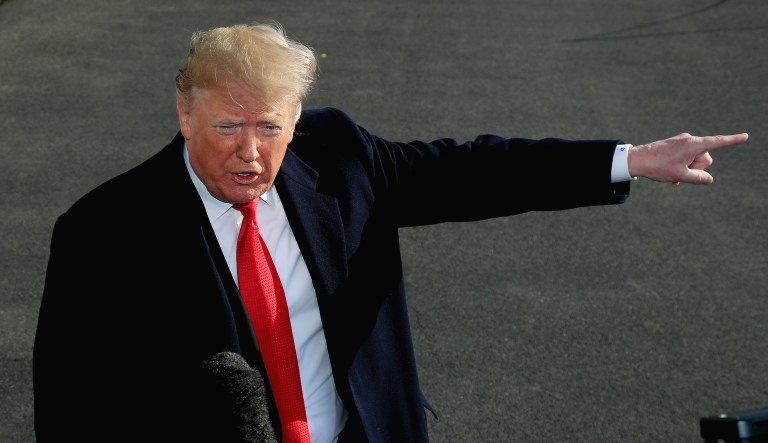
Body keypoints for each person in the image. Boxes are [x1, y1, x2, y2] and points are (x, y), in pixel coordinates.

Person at [32, 21, 749, 443]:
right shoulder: (102, 234)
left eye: (270, 128)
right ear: (184, 115)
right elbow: (72, 412)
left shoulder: (337, 158)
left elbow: (472, 170)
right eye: (226, 127)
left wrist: (628, 159)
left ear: (296, 121)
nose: (250, 153)